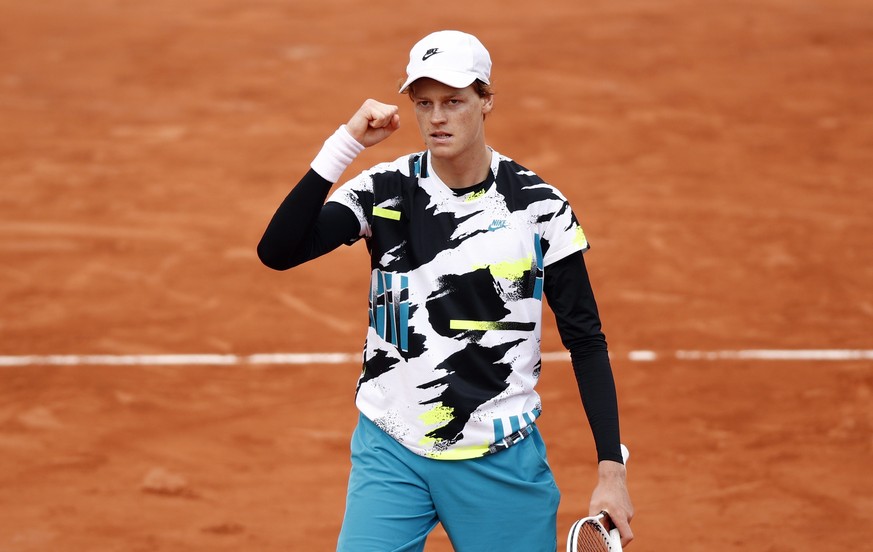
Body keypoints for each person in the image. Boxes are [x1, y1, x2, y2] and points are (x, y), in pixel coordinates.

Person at [258, 29, 633, 551]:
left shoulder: (539, 208)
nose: (437, 117)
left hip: (499, 460)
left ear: (486, 101)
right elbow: (277, 251)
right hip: (391, 448)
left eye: (455, 101)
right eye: (425, 102)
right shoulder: (382, 191)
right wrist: (344, 143)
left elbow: (586, 340)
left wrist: (611, 470)